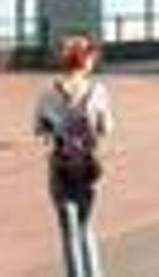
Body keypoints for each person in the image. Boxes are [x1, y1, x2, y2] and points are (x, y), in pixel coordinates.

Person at [32, 33, 114, 277]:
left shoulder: (47, 93)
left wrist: (55, 128)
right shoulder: (98, 91)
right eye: (91, 56)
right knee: (86, 226)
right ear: (85, 59)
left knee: (69, 233)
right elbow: (107, 128)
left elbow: (38, 129)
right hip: (88, 169)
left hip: (60, 169)